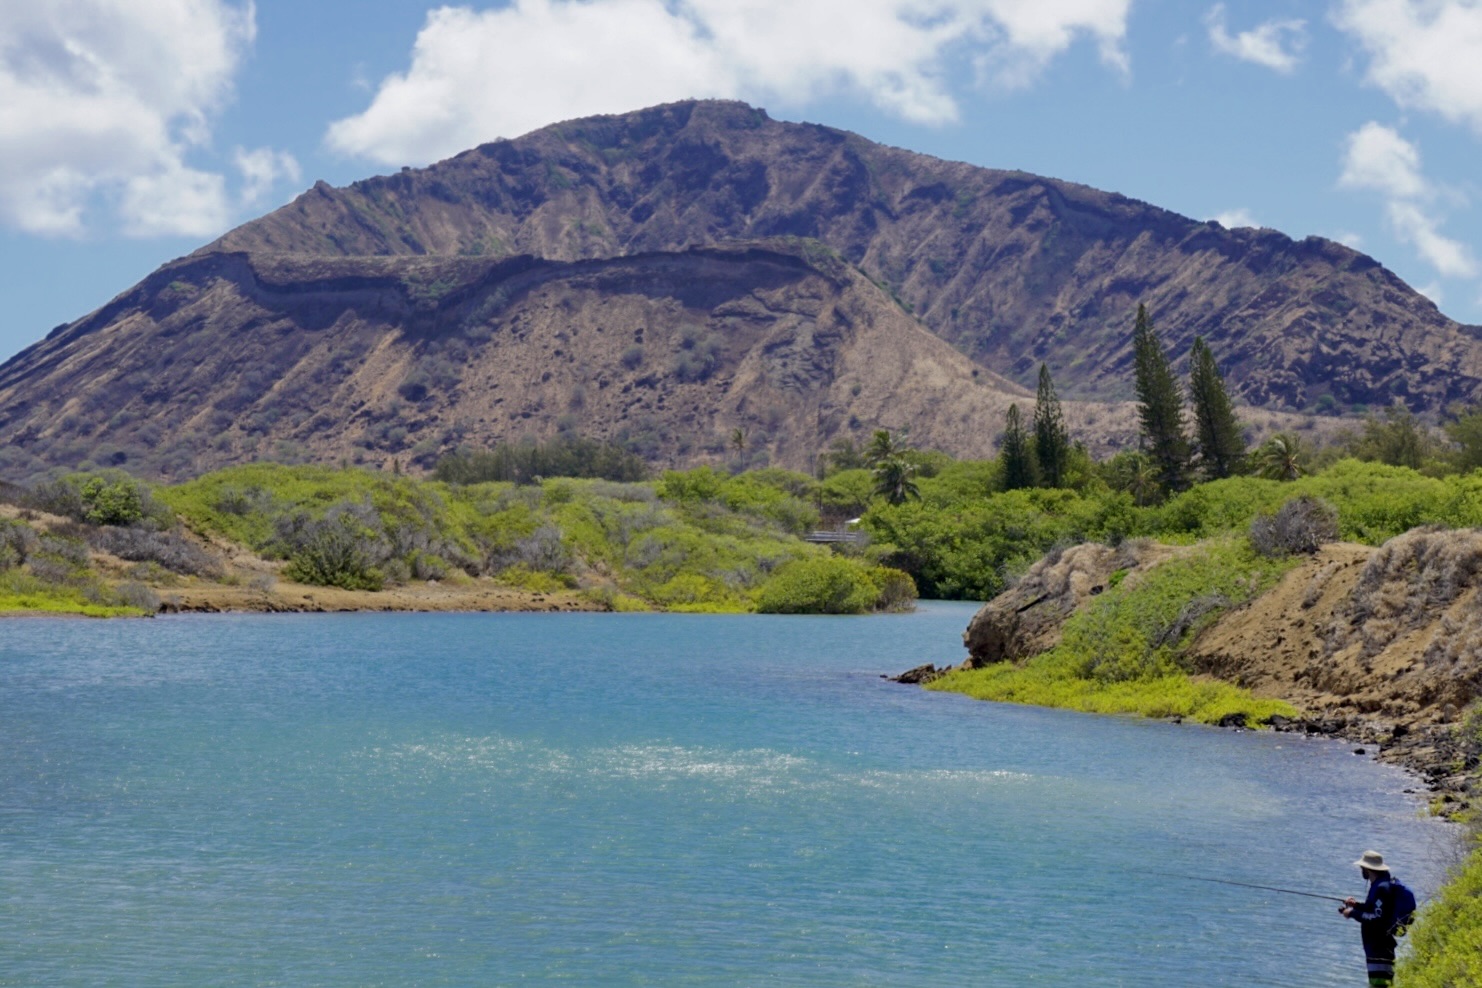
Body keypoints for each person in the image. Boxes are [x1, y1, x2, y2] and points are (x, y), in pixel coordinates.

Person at [1339, 850, 1399, 987]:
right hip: (1376, 947)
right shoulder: (1379, 884)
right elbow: (1374, 910)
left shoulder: (1382, 888)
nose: (1361, 870)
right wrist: (1356, 906)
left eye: (1362, 868)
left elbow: (1378, 917)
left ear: (1367, 869)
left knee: (1380, 985)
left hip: (1380, 947)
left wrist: (1352, 913)